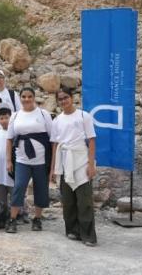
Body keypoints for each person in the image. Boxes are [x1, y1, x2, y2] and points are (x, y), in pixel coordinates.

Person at [50, 88, 97, 246]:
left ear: (72, 98)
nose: (64, 101)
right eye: (60, 99)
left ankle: (88, 235)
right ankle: (72, 230)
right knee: (68, 200)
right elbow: (55, 144)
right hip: (64, 161)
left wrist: (91, 164)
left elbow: (91, 141)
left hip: (80, 159)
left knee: (85, 200)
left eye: (66, 97)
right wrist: (52, 169)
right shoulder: (57, 120)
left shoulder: (84, 116)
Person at [5, 87, 53, 234]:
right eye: (24, 96)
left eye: (29, 96)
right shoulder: (15, 115)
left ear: (34, 97)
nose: (26, 99)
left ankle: (37, 219)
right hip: (21, 159)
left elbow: (52, 140)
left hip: (41, 160)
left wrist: (52, 165)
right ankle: (13, 219)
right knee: (19, 187)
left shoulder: (43, 114)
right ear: (20, 98)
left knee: (41, 188)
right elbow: (9, 139)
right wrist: (8, 160)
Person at [0, 107, 15, 204]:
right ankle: (3, 216)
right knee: (0, 199)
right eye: (1, 118)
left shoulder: (15, 133)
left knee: (15, 196)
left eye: (6, 117)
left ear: (11, 118)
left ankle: (17, 215)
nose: (4, 120)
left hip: (10, 170)